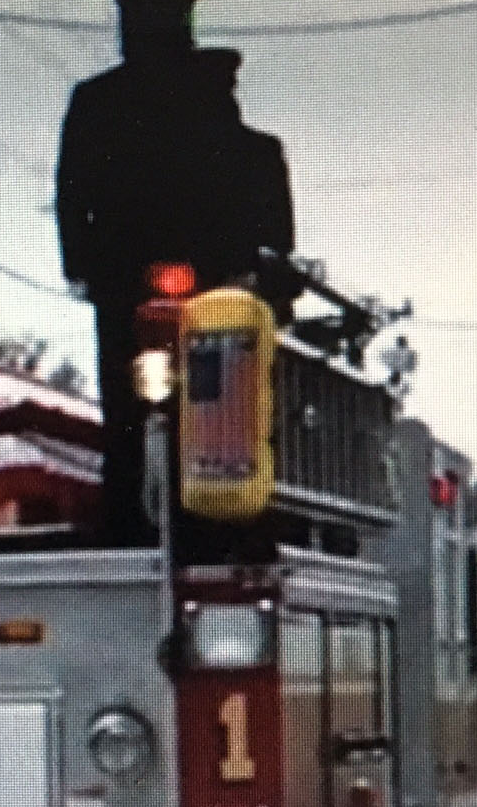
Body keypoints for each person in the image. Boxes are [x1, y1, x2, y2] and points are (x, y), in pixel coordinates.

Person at [55, 45, 299, 545]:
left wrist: (86, 271)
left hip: (148, 291)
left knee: (132, 403)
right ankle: (156, 508)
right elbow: (278, 242)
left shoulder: (247, 153)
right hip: (172, 295)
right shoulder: (253, 153)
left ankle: (130, 508)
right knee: (168, 404)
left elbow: (74, 195)